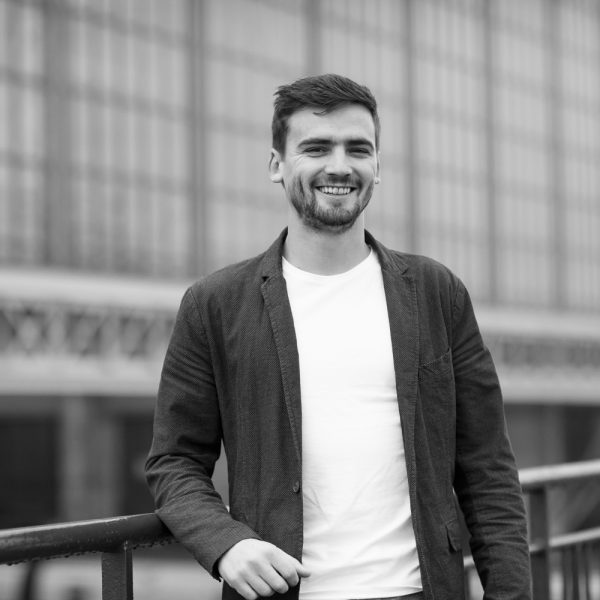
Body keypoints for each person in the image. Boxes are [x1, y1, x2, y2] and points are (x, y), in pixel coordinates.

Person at [145, 74, 531, 600]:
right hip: (282, 593)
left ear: (377, 166)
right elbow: (174, 462)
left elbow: (487, 467)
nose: (339, 166)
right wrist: (226, 544)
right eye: (316, 148)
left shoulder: (436, 293)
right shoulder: (215, 304)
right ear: (276, 165)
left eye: (358, 149)